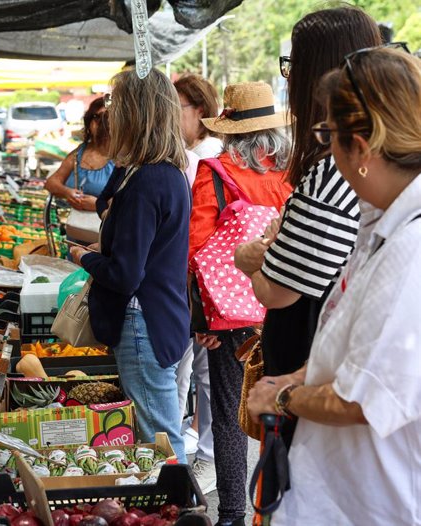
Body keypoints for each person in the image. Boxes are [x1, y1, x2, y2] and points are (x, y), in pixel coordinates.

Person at [247, 45, 421, 526]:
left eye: (329, 134)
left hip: (373, 506)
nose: (326, 149)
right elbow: (357, 352)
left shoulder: (411, 249)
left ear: (361, 148)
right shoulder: (383, 225)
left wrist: (280, 397)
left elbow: (360, 398)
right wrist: (298, 378)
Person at [233, 6, 382, 510]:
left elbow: (279, 289)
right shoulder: (354, 183)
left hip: (312, 398)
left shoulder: (332, 177)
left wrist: (255, 258)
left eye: (292, 65)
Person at [70, 68, 190, 462]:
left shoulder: (148, 182)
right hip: (160, 316)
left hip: (142, 322)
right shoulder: (164, 174)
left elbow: (125, 274)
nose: (108, 114)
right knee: (157, 436)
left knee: (161, 441)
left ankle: (186, 512)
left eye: (117, 104)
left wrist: (83, 256)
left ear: (136, 114)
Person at [189, 82, 293, 526]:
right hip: (289, 310)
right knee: (288, 408)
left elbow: (196, 250)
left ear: (230, 131)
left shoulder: (213, 172)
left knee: (232, 413)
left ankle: (231, 514)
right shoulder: (294, 174)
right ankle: (282, 510)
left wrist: (204, 317)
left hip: (234, 317)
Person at [173, 73, 223, 493]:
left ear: (200, 112)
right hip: (195, 282)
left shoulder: (202, 158)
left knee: (197, 372)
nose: (172, 116)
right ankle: (186, 452)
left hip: (200, 283)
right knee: (189, 371)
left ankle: (205, 458)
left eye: (178, 108)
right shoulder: (194, 154)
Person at [45, 97, 114, 213]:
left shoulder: (123, 157)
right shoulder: (78, 153)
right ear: (89, 122)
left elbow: (130, 202)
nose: (102, 123)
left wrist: (98, 205)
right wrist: (67, 192)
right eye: (97, 117)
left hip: (106, 228)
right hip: (76, 227)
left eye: (107, 117)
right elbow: (51, 182)